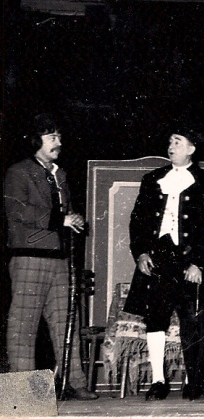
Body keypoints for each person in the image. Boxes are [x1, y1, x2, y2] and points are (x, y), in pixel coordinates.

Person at [123, 126, 204, 401]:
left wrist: (199, 264)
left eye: (178, 142)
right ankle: (158, 381)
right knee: (155, 318)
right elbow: (137, 221)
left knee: (193, 320)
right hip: (158, 258)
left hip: (190, 261)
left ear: (191, 149)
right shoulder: (152, 179)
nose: (171, 147)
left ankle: (193, 382)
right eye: (170, 142)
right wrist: (141, 253)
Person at [3, 113, 98, 400]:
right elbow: (17, 210)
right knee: (24, 327)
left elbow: (63, 214)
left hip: (60, 260)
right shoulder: (18, 172)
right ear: (36, 141)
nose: (59, 142)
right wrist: (61, 220)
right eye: (52, 137)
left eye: (59, 137)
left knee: (66, 324)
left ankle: (75, 383)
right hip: (30, 258)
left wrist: (74, 218)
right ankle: (24, 396)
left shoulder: (60, 174)